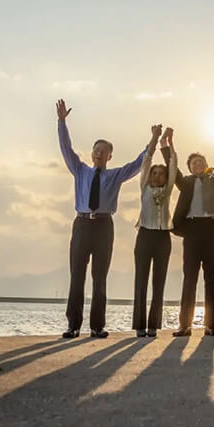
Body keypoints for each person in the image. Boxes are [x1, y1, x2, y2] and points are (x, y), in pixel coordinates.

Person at [56, 98, 158, 339]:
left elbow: (139, 163)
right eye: (96, 150)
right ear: (92, 154)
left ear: (110, 156)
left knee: (100, 277)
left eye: (104, 151)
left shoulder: (115, 175)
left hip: (103, 226)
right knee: (77, 276)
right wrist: (61, 122)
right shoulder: (80, 170)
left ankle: (97, 326)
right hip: (81, 224)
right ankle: (73, 326)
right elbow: (65, 148)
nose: (99, 153)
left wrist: (152, 140)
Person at [166, 122, 214, 336]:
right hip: (192, 230)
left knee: (211, 278)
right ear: (190, 168)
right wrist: (168, 144)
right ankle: (184, 325)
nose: (198, 165)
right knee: (189, 278)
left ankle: (211, 325)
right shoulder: (186, 182)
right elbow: (173, 166)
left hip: (212, 230)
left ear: (206, 164)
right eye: (194, 163)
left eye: (200, 162)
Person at [132, 126, 179, 338]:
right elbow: (146, 160)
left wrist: (169, 142)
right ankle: (139, 326)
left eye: (162, 174)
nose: (158, 176)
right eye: (155, 173)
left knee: (158, 282)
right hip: (144, 235)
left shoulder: (167, 190)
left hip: (163, 237)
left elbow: (174, 165)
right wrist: (154, 138)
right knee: (141, 280)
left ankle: (153, 326)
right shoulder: (144, 187)